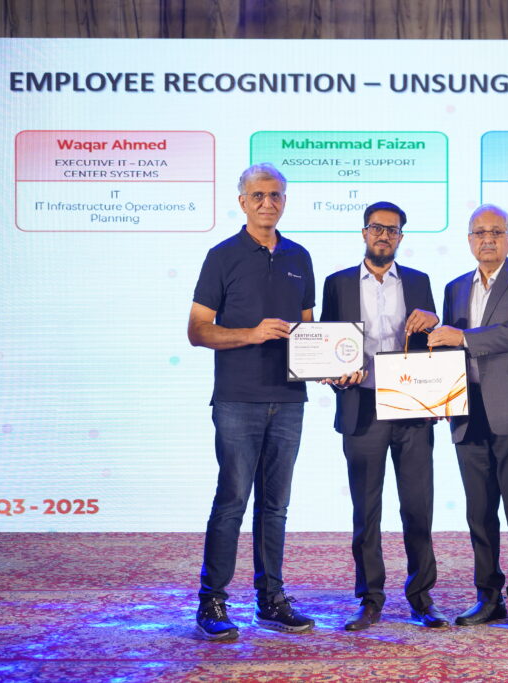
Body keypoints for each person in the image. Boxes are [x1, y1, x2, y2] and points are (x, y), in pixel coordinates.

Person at [188, 163, 316, 641]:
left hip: (289, 399)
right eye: (258, 195)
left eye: (275, 195)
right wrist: (251, 333)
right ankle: (212, 601)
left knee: (276, 506)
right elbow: (197, 330)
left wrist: (329, 363)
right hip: (237, 399)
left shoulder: (300, 256)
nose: (267, 203)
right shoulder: (222, 256)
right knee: (232, 501)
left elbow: (308, 330)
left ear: (285, 200)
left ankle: (271, 599)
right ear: (242, 201)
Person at [320, 201, 447, 631]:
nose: (384, 235)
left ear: (400, 238)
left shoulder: (419, 281)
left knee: (418, 507)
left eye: (392, 230)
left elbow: (434, 344)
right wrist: (335, 376)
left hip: (412, 408)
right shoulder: (337, 283)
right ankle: (370, 599)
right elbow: (327, 343)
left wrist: (434, 320)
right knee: (366, 511)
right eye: (377, 228)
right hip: (362, 407)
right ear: (364, 233)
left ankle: (421, 598)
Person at [427, 204, 508, 631]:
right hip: (467, 411)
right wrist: (438, 397)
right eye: (480, 233)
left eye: (496, 232)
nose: (488, 239)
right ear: (469, 240)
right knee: (479, 513)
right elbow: (446, 350)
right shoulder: (455, 287)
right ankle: (488, 597)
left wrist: (462, 336)